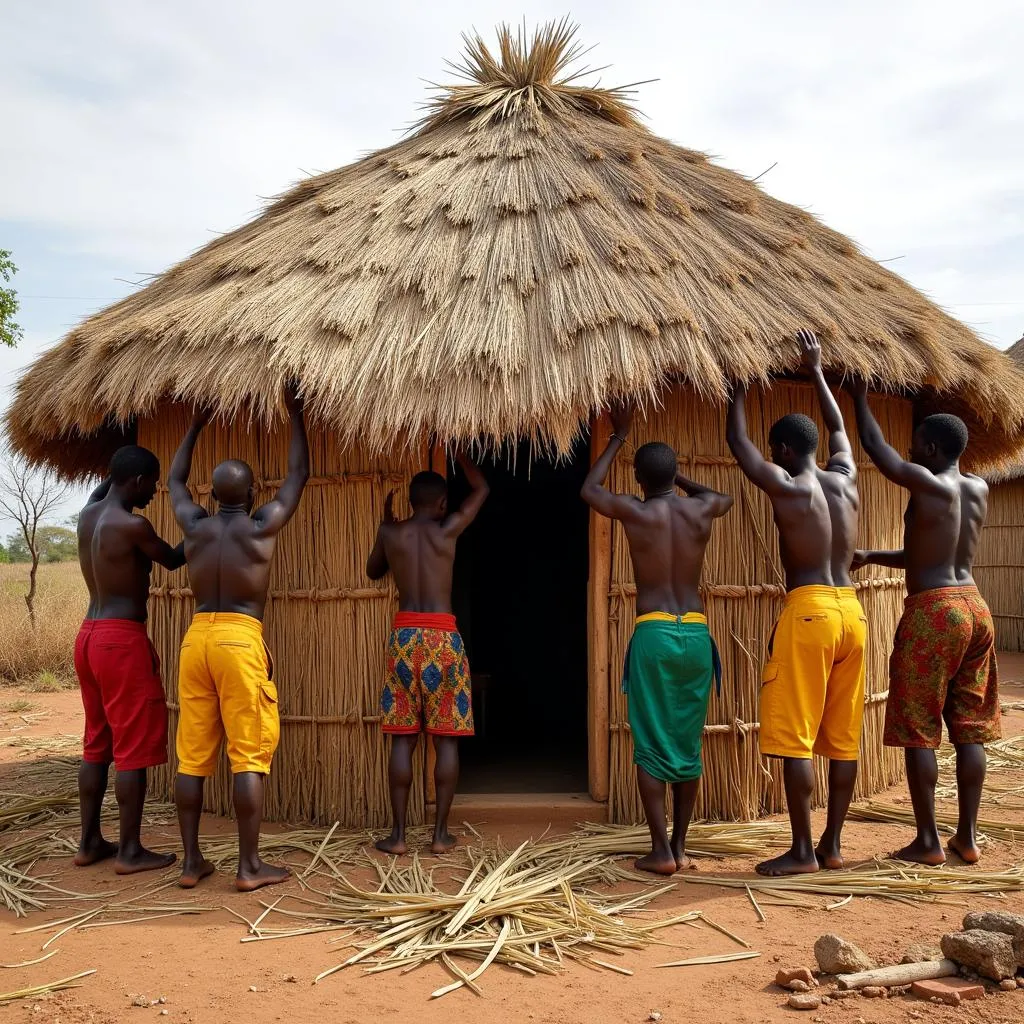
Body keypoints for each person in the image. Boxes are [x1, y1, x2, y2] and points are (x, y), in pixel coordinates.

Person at [726, 331, 866, 877]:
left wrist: (736, 387)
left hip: (808, 609)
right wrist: (816, 371)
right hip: (852, 612)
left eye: (775, 448)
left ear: (783, 450)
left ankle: (803, 850)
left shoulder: (788, 486)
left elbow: (739, 446)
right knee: (843, 737)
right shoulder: (846, 478)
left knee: (798, 738)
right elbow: (838, 429)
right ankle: (832, 845)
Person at [167, 384, 309, 890]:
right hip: (239, 640)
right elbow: (297, 478)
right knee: (247, 755)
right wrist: (294, 414)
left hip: (196, 639)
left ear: (211, 494)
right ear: (250, 495)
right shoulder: (260, 527)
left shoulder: (194, 526)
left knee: (193, 756)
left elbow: (174, 480)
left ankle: (190, 863)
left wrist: (194, 424)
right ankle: (249, 867)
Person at [581, 401, 732, 876]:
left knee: (649, 742)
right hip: (697, 635)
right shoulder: (701, 509)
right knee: (687, 744)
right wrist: (680, 479)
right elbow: (722, 497)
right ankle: (681, 846)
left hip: (653, 634)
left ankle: (659, 851)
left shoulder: (633, 511)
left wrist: (618, 438)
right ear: (675, 475)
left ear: (639, 480)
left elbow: (588, 489)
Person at [850, 381, 998, 865]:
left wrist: (858, 396)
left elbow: (876, 450)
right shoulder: (978, 488)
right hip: (975, 608)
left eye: (915, 446)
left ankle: (928, 841)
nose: (909, 452)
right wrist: (872, 555)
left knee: (918, 728)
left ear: (931, 449)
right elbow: (928, 553)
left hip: (934, 612)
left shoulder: (928, 483)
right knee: (970, 727)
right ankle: (968, 838)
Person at [366, 451, 489, 856]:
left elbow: (373, 570)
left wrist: (386, 524)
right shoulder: (448, 529)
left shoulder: (392, 532)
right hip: (442, 638)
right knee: (446, 739)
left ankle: (399, 836)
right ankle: (439, 836)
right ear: (440, 505)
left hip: (403, 637)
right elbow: (483, 489)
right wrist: (461, 455)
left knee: (402, 739)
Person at [74, 445, 186, 874]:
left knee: (96, 744)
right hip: (121, 641)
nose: (155, 490)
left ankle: (88, 843)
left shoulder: (88, 514)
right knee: (133, 748)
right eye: (153, 481)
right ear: (137, 480)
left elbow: (109, 481)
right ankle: (130, 850)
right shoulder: (134, 525)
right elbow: (173, 560)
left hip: (88, 637)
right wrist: (207, 528)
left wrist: (123, 456)